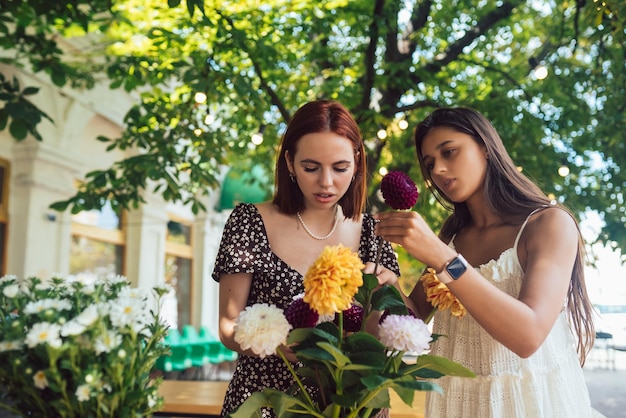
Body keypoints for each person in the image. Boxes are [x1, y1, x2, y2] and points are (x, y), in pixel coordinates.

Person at [374, 107, 595, 417]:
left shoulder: (549, 224)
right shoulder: (452, 234)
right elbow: (414, 319)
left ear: (486, 148)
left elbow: (528, 336)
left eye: (449, 152)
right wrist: (386, 281)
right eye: (430, 163)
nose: (438, 170)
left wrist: (442, 258)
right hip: (457, 402)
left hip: (530, 404)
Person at [212, 99, 400, 417]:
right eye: (310, 167)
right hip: (267, 403)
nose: (326, 182)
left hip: (350, 407)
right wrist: (275, 343)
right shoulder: (249, 221)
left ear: (356, 163)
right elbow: (229, 325)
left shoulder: (374, 233)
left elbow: (374, 343)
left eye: (340, 168)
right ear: (289, 162)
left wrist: (385, 294)